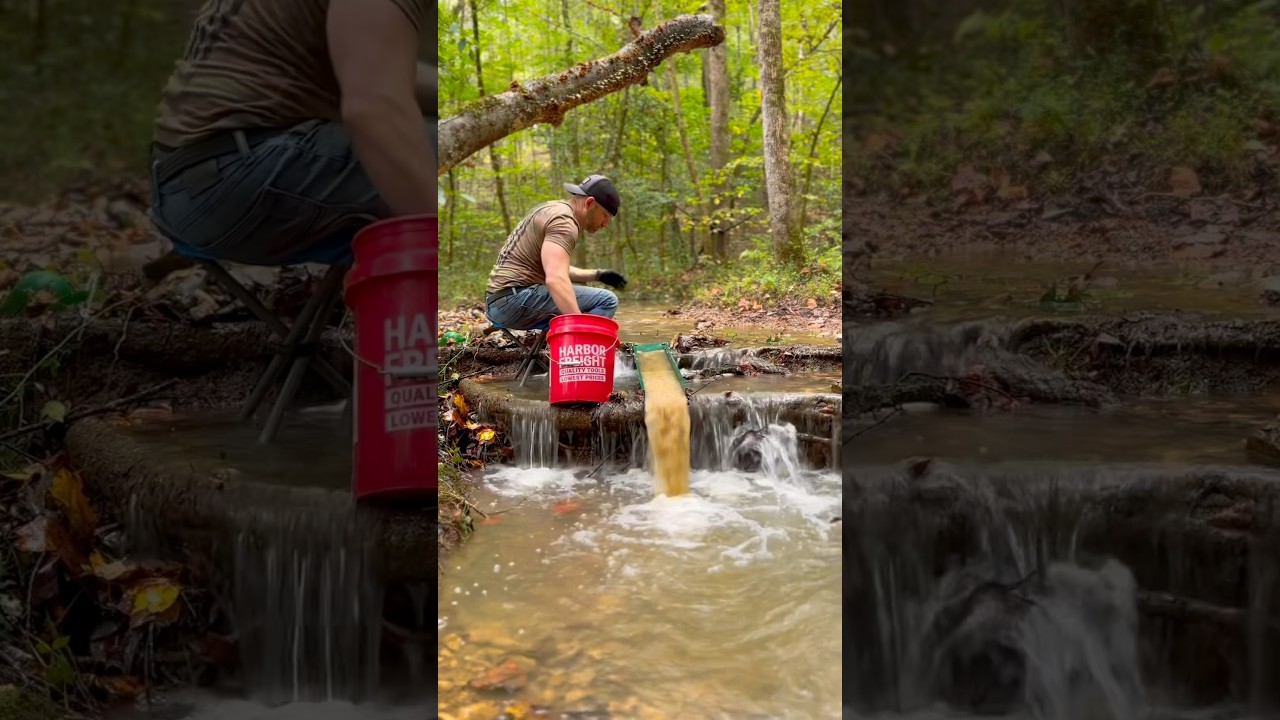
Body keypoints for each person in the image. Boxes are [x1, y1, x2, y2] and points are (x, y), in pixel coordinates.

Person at [147, 0, 436, 267]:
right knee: (469, 162)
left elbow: (376, 64)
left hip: (181, 190)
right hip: (242, 174)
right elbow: (374, 107)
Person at [485, 175, 629, 330]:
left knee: (577, 297)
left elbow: (555, 268)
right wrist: (579, 328)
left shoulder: (554, 209)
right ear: (589, 203)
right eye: (605, 216)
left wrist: (598, 275)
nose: (606, 224)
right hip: (514, 301)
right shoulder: (565, 223)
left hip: (497, 303)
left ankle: (564, 341)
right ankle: (580, 348)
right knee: (607, 300)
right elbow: (556, 279)